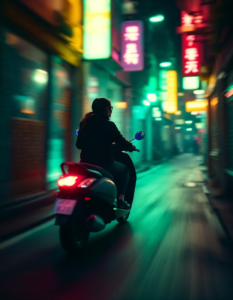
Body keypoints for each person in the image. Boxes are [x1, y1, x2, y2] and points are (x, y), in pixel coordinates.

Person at [76, 97, 136, 209]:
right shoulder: (109, 125)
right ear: (106, 109)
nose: (111, 111)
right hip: (104, 164)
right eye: (111, 108)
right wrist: (131, 147)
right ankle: (121, 200)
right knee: (125, 170)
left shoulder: (84, 123)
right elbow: (121, 142)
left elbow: (79, 145)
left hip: (85, 164)